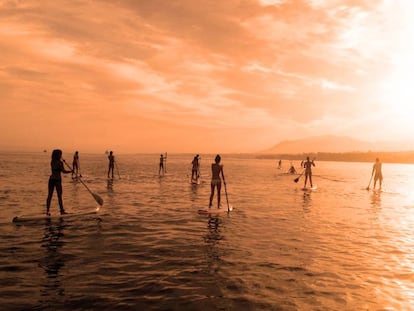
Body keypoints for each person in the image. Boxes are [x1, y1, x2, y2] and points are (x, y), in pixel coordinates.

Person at [46, 149, 72, 215]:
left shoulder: (52, 161)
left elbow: (57, 169)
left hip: (51, 180)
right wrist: (71, 171)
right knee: (59, 196)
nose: (61, 155)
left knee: (50, 195)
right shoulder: (60, 163)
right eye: (60, 154)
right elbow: (63, 171)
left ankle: (47, 211)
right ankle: (62, 211)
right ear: (57, 155)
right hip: (57, 180)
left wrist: (62, 162)